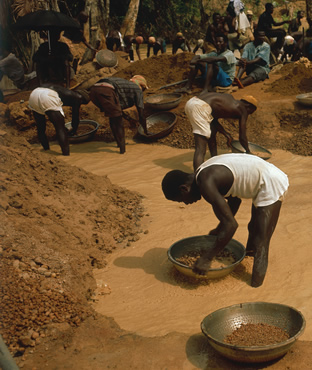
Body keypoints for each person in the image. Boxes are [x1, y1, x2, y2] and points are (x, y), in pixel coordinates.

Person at [161, 153, 289, 288]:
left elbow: (232, 225)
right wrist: (220, 227)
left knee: (261, 238)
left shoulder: (205, 183)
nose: (186, 203)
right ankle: (249, 258)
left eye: (181, 200)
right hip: (263, 177)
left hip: (271, 181)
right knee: (253, 227)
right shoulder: (202, 173)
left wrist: (207, 258)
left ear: (184, 188)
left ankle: (256, 288)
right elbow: (235, 200)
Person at [185, 92, 258, 170]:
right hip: (200, 107)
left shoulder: (227, 99)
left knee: (212, 132)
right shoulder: (243, 109)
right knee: (200, 149)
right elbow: (242, 136)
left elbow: (213, 121)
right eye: (250, 112)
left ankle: (214, 159)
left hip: (191, 102)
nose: (248, 114)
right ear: (248, 106)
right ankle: (198, 177)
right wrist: (248, 151)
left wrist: (226, 135)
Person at [89, 75, 148, 154]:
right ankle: (122, 151)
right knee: (119, 122)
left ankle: (119, 144)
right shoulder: (137, 89)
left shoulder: (124, 86)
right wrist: (146, 131)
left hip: (93, 90)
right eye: (143, 89)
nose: (143, 91)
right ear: (141, 86)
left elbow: (117, 110)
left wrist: (129, 119)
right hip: (105, 90)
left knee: (113, 117)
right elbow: (141, 114)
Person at [28, 85, 90, 156]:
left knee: (41, 127)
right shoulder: (78, 98)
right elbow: (75, 118)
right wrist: (73, 131)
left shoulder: (66, 92)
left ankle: (46, 150)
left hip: (35, 93)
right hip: (48, 96)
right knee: (60, 129)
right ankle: (66, 156)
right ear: (82, 99)